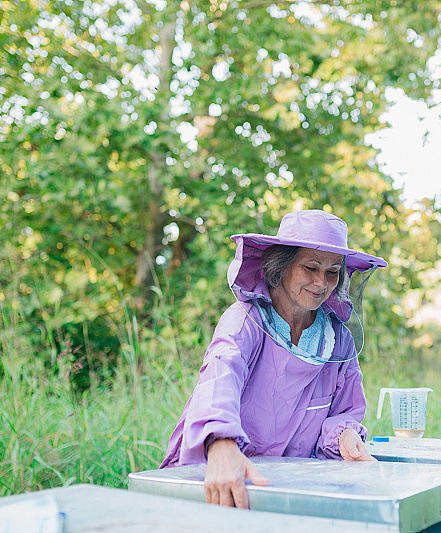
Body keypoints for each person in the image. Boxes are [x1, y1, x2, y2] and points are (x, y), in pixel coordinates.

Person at [159, 209, 388, 509]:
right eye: (310, 267)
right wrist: (221, 443)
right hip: (219, 478)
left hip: (287, 489)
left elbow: (344, 411)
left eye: (332, 272)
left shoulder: (338, 341)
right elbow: (218, 380)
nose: (321, 282)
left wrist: (344, 436)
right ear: (281, 266)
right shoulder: (245, 322)